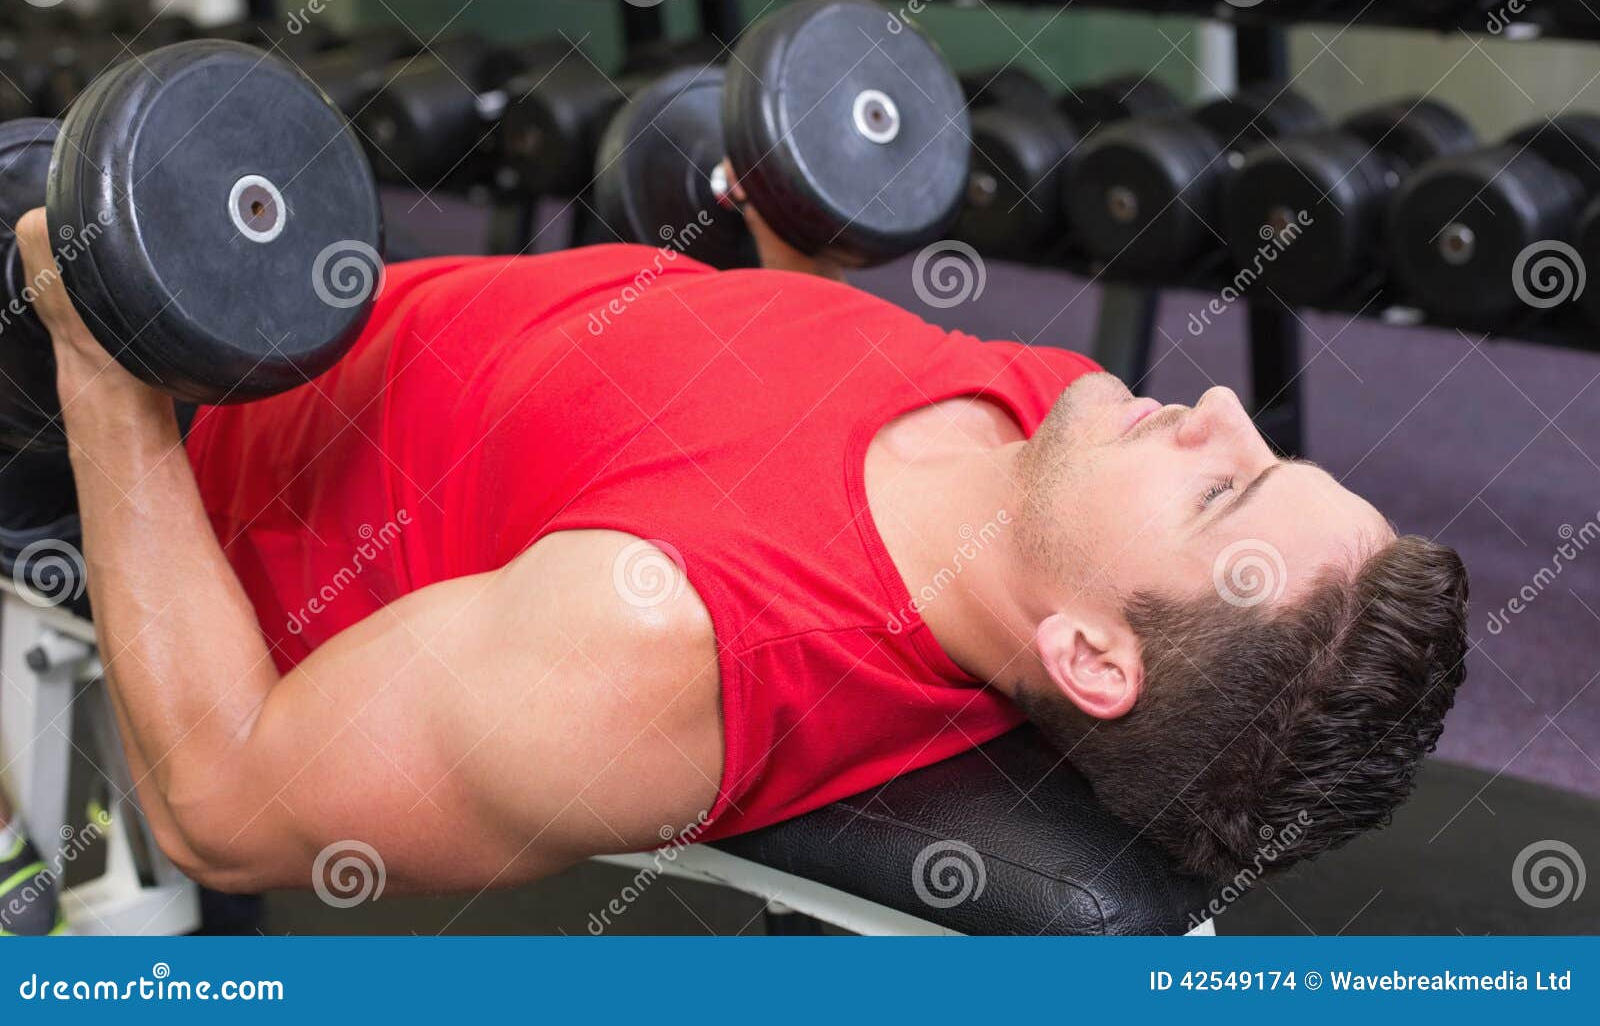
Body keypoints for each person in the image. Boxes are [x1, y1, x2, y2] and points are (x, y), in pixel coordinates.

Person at [0, 196, 1466, 920]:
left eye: (1227, 493)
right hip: (304, 303)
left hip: (149, 463)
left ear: (1092, 654)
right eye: (1263, 451)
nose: (1215, 409)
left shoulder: (660, 642)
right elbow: (745, 421)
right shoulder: (1054, 440)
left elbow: (225, 801)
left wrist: (101, 369)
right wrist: (774, 271)